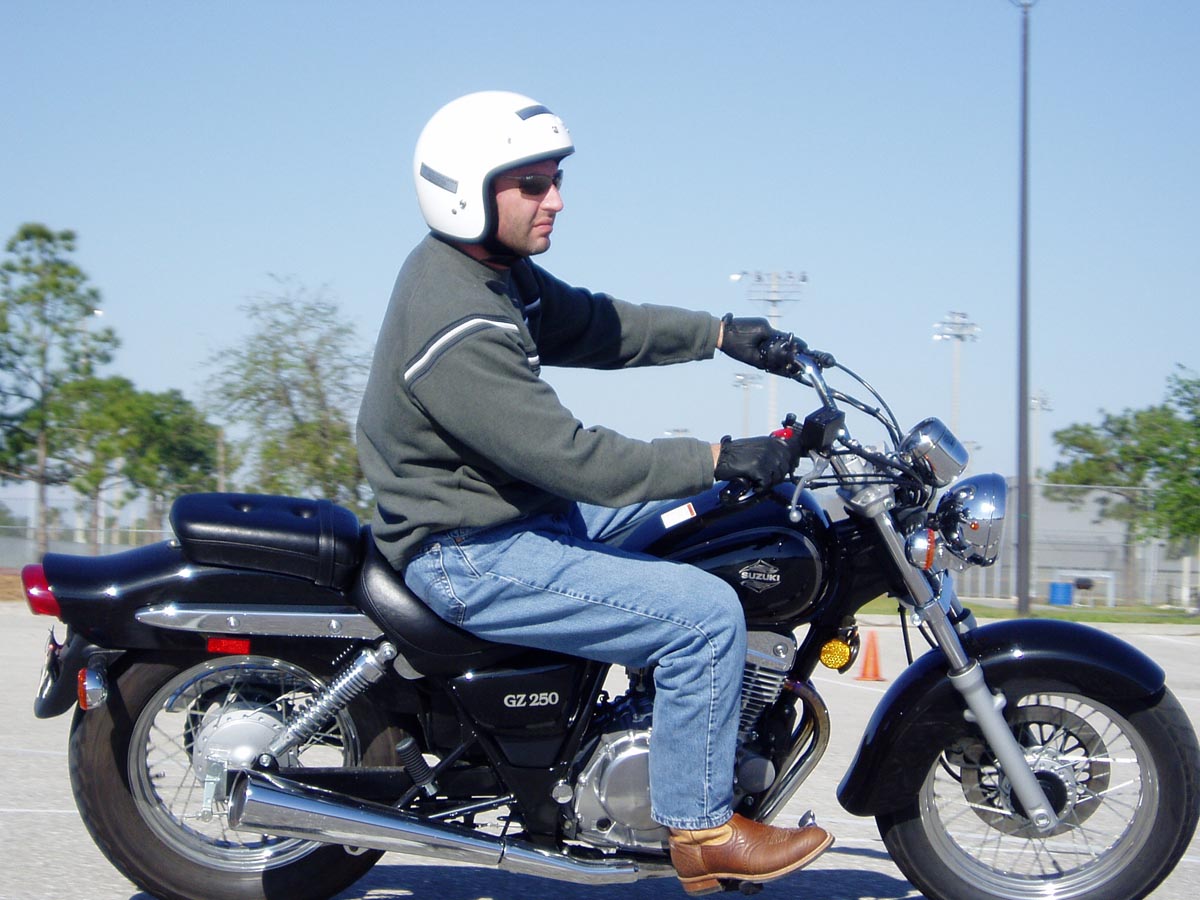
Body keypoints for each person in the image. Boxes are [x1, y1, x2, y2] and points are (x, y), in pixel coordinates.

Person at [357, 90, 832, 895]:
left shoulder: (489, 274)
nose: (555, 199)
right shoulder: (460, 321)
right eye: (533, 184)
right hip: (470, 549)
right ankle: (701, 829)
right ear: (468, 191)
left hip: (511, 515)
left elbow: (598, 324)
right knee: (704, 615)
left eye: (556, 180)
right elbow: (577, 461)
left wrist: (722, 335)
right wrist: (719, 456)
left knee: (713, 521)